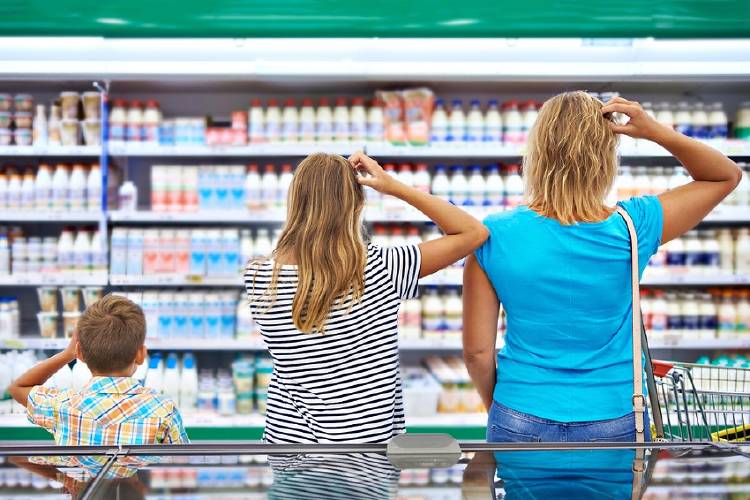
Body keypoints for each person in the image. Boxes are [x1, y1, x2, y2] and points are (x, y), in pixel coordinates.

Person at [462, 92, 741, 442]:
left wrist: (502, 406)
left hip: (521, 408)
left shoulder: (493, 234)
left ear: (536, 153)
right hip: (613, 411)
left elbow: (476, 353)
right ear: (606, 156)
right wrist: (656, 131)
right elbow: (724, 176)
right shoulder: (634, 225)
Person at [245, 152, 488, 443]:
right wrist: (393, 186)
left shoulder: (259, 277)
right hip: (367, 454)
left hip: (288, 449)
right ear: (357, 205)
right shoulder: (383, 267)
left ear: (294, 202)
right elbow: (473, 232)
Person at [8, 293, 189, 445]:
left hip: (82, 488)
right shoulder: (164, 411)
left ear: (80, 353)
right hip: (138, 487)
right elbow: (181, 467)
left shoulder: (62, 405)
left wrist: (66, 354)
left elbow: (18, 388)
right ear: (141, 355)